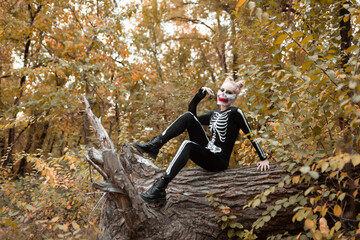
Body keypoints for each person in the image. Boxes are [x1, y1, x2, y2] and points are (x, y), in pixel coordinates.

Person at [132, 76, 270, 204]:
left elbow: (250, 134)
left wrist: (263, 157)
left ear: (234, 97)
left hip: (219, 160)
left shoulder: (235, 113)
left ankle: (160, 187)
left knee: (187, 145)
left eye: (228, 92)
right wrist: (198, 97)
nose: (223, 94)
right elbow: (191, 117)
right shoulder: (213, 114)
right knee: (187, 117)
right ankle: (155, 144)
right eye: (222, 90)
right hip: (208, 150)